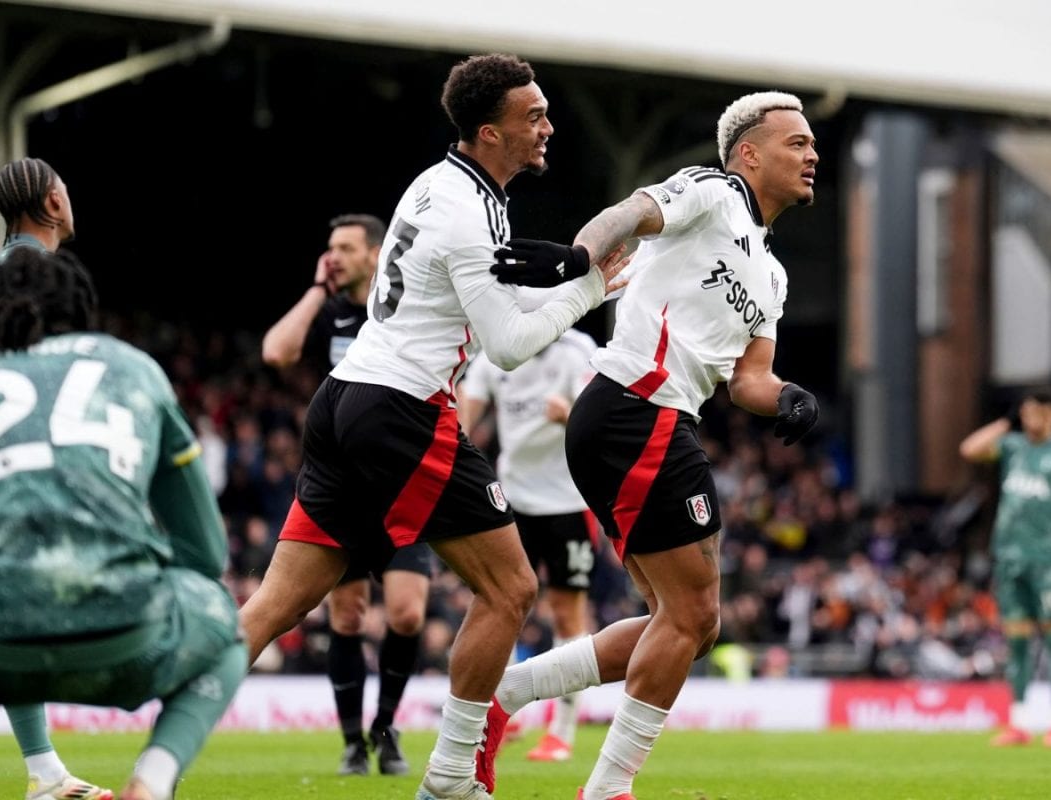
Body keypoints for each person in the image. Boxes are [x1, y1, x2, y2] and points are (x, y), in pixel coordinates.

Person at [236, 52, 626, 800]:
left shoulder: (437, 184)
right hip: (402, 411)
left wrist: (563, 265)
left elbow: (496, 268)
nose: (548, 126)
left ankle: (156, 762)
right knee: (512, 589)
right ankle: (450, 777)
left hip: (344, 399)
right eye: (533, 116)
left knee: (270, 609)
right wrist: (591, 288)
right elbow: (510, 347)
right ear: (489, 132)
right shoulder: (466, 211)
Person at [477, 90, 822, 800]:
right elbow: (632, 213)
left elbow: (749, 378)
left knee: (685, 621)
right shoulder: (712, 191)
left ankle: (506, 694)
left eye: (813, 144)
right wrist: (578, 257)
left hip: (652, 418)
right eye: (797, 142)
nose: (813, 154)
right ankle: (606, 789)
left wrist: (787, 395)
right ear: (749, 153)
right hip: (636, 407)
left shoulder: (773, 273)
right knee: (694, 617)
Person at [0, 248, 246, 800]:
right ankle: (154, 780)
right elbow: (207, 554)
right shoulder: (134, 370)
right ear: (79, 308)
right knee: (229, 627)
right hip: (126, 640)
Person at [0, 156, 110, 800]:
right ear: (52, 203)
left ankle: (44, 772)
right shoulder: (39, 277)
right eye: (65, 186)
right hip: (19, 471)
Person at [262, 213, 434, 776]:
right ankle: (352, 742)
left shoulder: (403, 307)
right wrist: (317, 288)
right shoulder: (332, 311)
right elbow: (277, 353)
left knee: (407, 614)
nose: (333, 254)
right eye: (328, 246)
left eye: (344, 247)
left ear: (376, 253)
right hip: (343, 487)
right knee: (348, 613)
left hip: (404, 482)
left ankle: (386, 727)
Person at [458, 328, 599, 762]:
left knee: (566, 612)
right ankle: (502, 708)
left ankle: (561, 732)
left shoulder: (579, 350)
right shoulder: (496, 352)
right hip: (512, 499)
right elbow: (462, 420)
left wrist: (573, 414)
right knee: (502, 603)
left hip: (569, 501)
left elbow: (603, 419)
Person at [959, 386, 1051, 747]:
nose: (1028, 419)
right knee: (1017, 641)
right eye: (1024, 412)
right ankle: (1019, 723)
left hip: (1048, 561)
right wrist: (1006, 422)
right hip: (1009, 558)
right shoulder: (1013, 446)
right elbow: (970, 449)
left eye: (1035, 412)